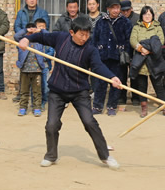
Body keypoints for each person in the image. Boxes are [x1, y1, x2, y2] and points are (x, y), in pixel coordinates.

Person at [19, 16, 122, 169]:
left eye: (87, 35)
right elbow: (41, 36)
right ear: (72, 32)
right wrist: (27, 39)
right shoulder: (60, 38)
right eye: (81, 34)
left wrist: (112, 77)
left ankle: (105, 156)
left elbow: (98, 66)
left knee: (89, 121)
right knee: (52, 125)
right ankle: (51, 155)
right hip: (57, 90)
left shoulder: (90, 49)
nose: (84, 38)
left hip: (79, 91)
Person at [91, 0, 132, 116]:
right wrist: (95, 55)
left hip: (117, 57)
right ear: (108, 9)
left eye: (117, 7)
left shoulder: (125, 22)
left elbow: (129, 40)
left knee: (116, 83)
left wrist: (126, 54)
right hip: (102, 57)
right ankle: (98, 106)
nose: (115, 10)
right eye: (113, 8)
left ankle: (112, 106)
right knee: (100, 82)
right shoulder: (101, 21)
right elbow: (95, 39)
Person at [129, 6, 165, 118]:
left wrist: (150, 50)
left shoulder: (157, 27)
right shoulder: (137, 27)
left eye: (149, 14)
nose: (147, 16)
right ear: (141, 16)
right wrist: (141, 49)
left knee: (158, 85)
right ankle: (144, 108)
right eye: (145, 14)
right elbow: (133, 40)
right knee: (142, 86)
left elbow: (161, 40)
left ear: (152, 16)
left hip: (154, 60)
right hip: (141, 60)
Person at [15, 22, 47, 117]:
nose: (31, 30)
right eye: (30, 29)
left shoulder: (39, 40)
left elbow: (48, 35)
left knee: (37, 91)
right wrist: (26, 30)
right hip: (24, 70)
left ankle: (37, 108)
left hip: (37, 70)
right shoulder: (22, 40)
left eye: (33, 28)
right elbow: (16, 35)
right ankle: (23, 108)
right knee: (24, 90)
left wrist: (40, 30)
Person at [118, 0, 139, 105]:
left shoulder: (137, 19)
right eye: (123, 11)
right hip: (121, 51)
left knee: (134, 76)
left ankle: (135, 97)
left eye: (127, 10)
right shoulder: (118, 19)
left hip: (135, 52)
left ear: (131, 9)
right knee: (121, 75)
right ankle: (122, 97)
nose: (125, 12)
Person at [35, 18, 54, 111]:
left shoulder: (48, 39)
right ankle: (37, 103)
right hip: (35, 66)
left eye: (43, 27)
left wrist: (44, 56)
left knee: (46, 86)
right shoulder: (34, 38)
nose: (41, 28)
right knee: (36, 86)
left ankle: (44, 101)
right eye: (39, 26)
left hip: (46, 66)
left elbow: (52, 51)